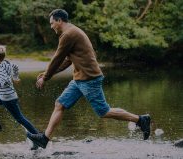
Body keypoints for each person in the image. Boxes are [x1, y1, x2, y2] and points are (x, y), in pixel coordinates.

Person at [27, 9, 151, 149]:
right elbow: (67, 60)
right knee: (60, 104)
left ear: (59, 20)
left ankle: (141, 120)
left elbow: (57, 58)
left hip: (89, 79)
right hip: (79, 79)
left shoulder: (68, 34)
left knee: (104, 112)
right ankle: (45, 139)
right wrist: (46, 74)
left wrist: (46, 77)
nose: (51, 26)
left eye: (52, 23)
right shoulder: (72, 32)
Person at [0, 45, 39, 150]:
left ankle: (37, 137)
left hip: (8, 99)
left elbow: (0, 83)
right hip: (4, 96)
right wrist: (15, 77)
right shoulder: (6, 63)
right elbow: (15, 66)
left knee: (20, 119)